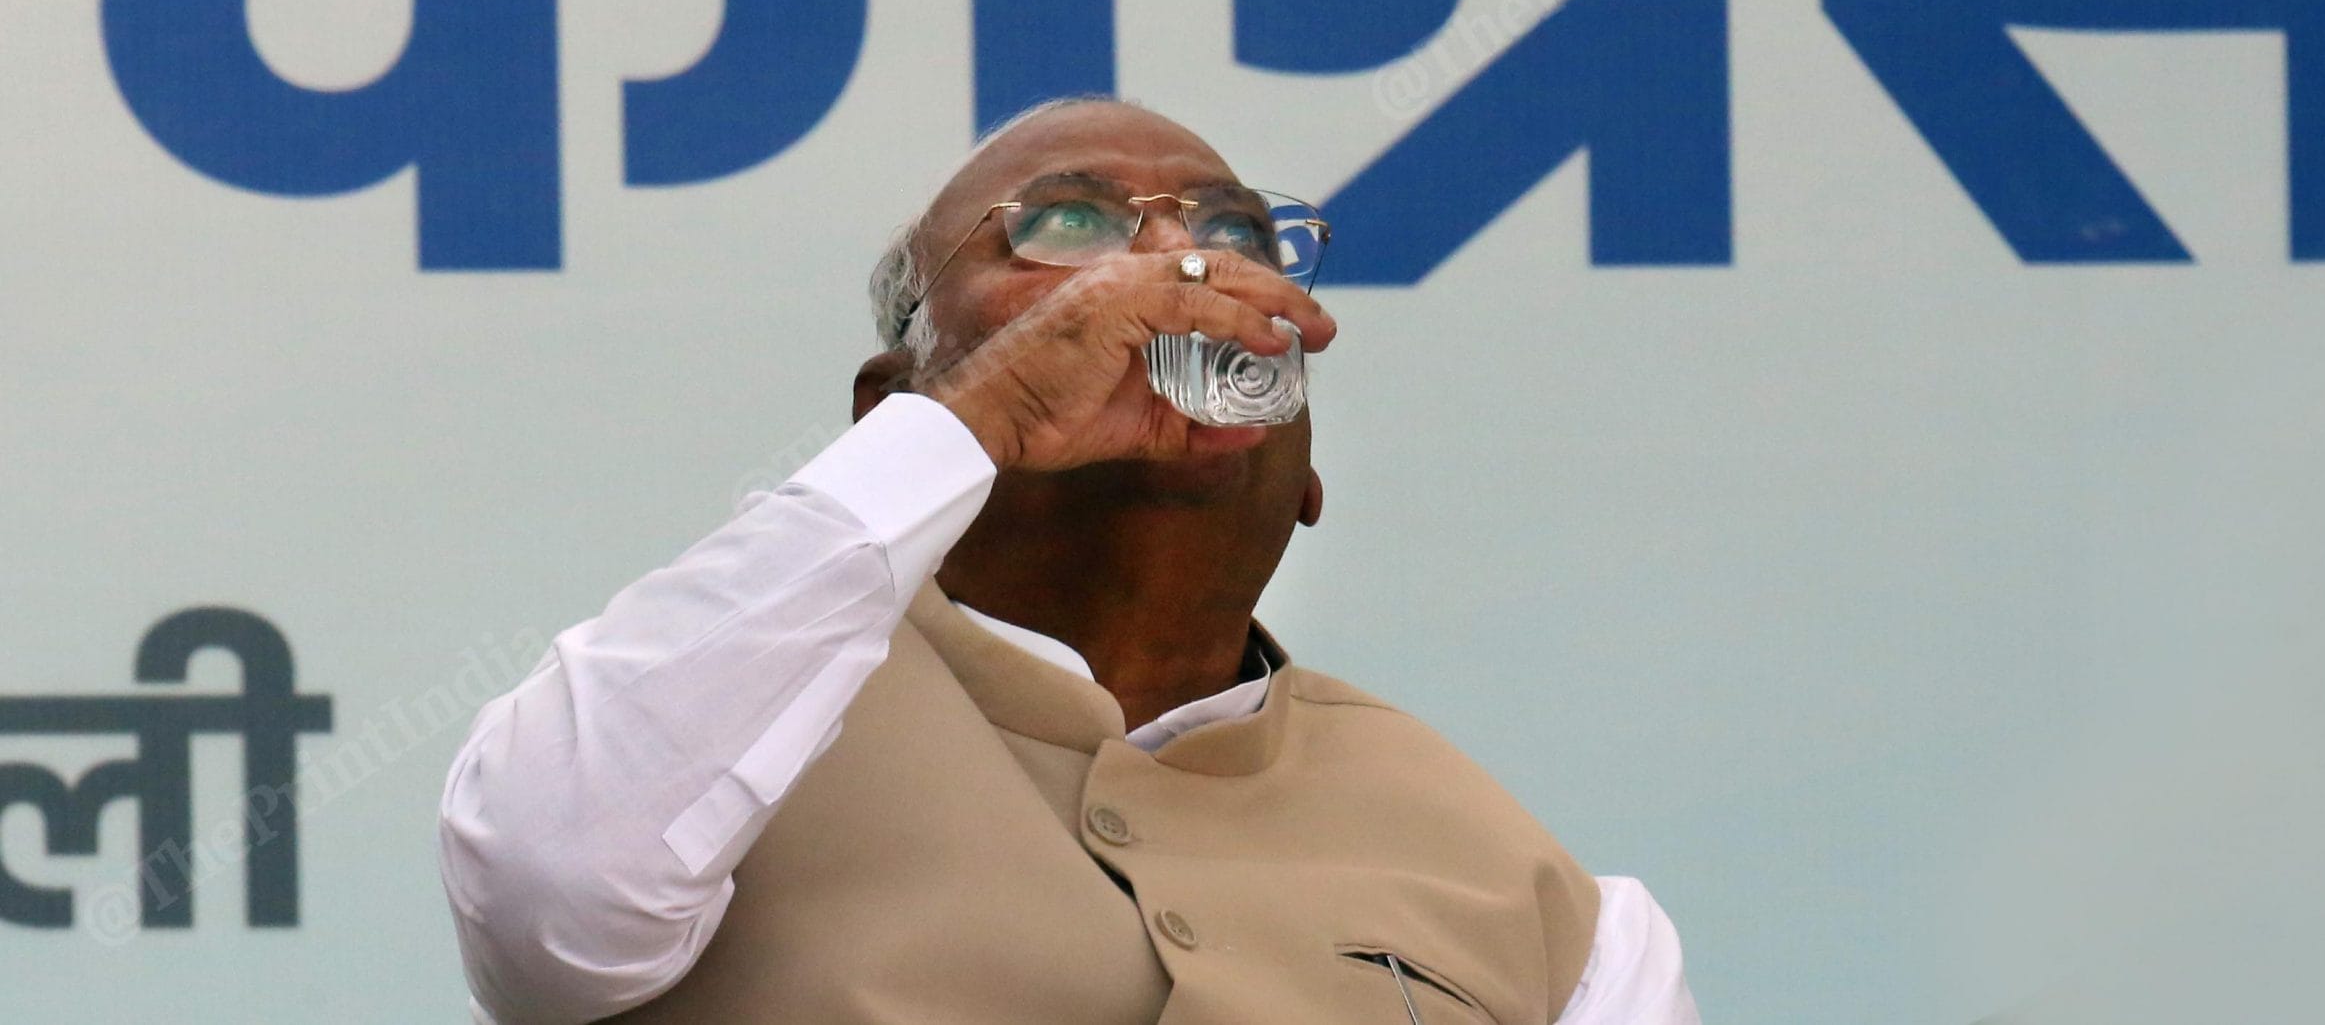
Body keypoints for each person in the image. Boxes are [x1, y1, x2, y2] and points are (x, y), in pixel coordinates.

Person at [439, 97, 1699, 1024]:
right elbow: (547, 893)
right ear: (900, 417)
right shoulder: (723, 724)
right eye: (1064, 228)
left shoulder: (1565, 924)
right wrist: (983, 425)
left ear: (1305, 466)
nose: (1168, 271)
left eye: (1233, 237)